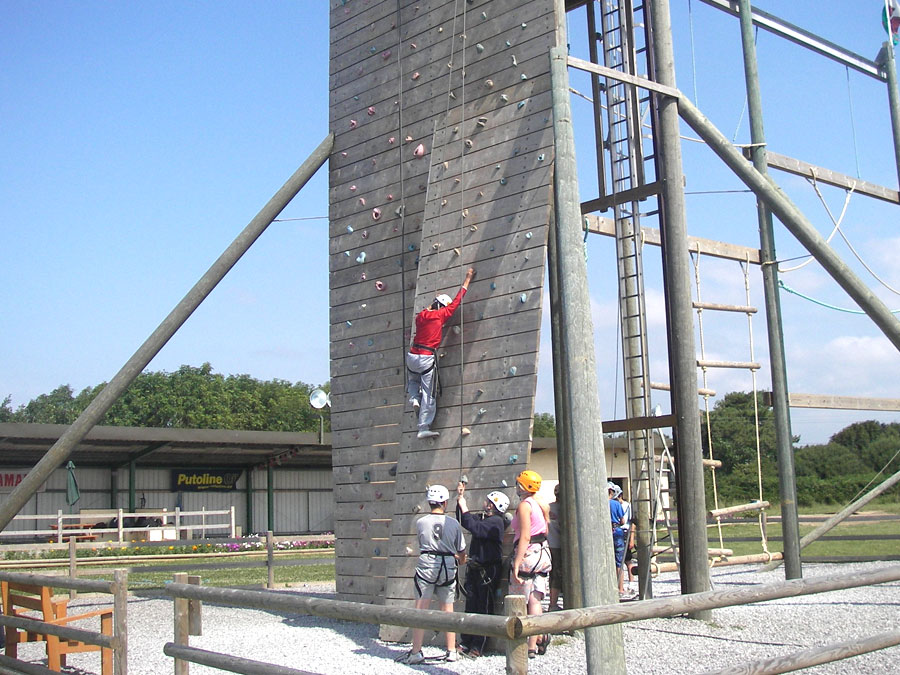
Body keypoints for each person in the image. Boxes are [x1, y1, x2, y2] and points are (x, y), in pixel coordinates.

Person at [399, 484, 467, 665]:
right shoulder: (453, 523)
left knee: (421, 608)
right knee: (448, 609)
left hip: (427, 565)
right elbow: (461, 552)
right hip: (447, 567)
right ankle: (451, 650)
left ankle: (416, 651)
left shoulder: (420, 522)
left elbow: (423, 542)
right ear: (444, 502)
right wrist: (460, 560)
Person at [406, 267, 476, 439]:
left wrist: (435, 300)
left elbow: (430, 307)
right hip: (426, 358)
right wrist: (467, 279)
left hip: (412, 356)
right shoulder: (441, 315)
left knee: (413, 380)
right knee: (429, 393)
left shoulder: (420, 316)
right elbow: (457, 301)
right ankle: (423, 427)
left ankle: (414, 399)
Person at [455, 481, 509, 657]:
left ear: (493, 505)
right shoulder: (485, 519)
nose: (485, 503)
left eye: (488, 501)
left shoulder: (496, 522)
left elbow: (476, 529)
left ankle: (478, 646)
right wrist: (460, 499)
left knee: (483, 607)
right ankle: (466, 642)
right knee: (471, 605)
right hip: (476, 568)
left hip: (488, 570)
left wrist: (464, 507)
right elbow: (465, 521)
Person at [509, 470, 552, 658]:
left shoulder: (525, 506)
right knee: (536, 599)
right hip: (543, 553)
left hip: (529, 554)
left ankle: (525, 639)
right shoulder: (541, 505)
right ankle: (534, 643)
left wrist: (517, 561)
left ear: (522, 487)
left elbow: (525, 535)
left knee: (521, 599)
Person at [607, 481, 628, 599]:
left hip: (604, 532)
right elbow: (622, 521)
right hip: (617, 532)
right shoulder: (616, 504)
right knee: (619, 561)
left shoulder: (601, 503)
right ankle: (620, 588)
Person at [547, 482, 564, 611]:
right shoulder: (564, 510)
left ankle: (553, 602)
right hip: (558, 545)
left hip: (548, 545)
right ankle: (553, 604)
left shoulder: (547, 507)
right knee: (558, 574)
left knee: (553, 574)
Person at [618, 489, 637, 595]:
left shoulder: (628, 506)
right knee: (620, 561)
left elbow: (632, 522)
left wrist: (632, 538)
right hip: (619, 531)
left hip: (626, 532)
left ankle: (631, 583)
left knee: (628, 560)